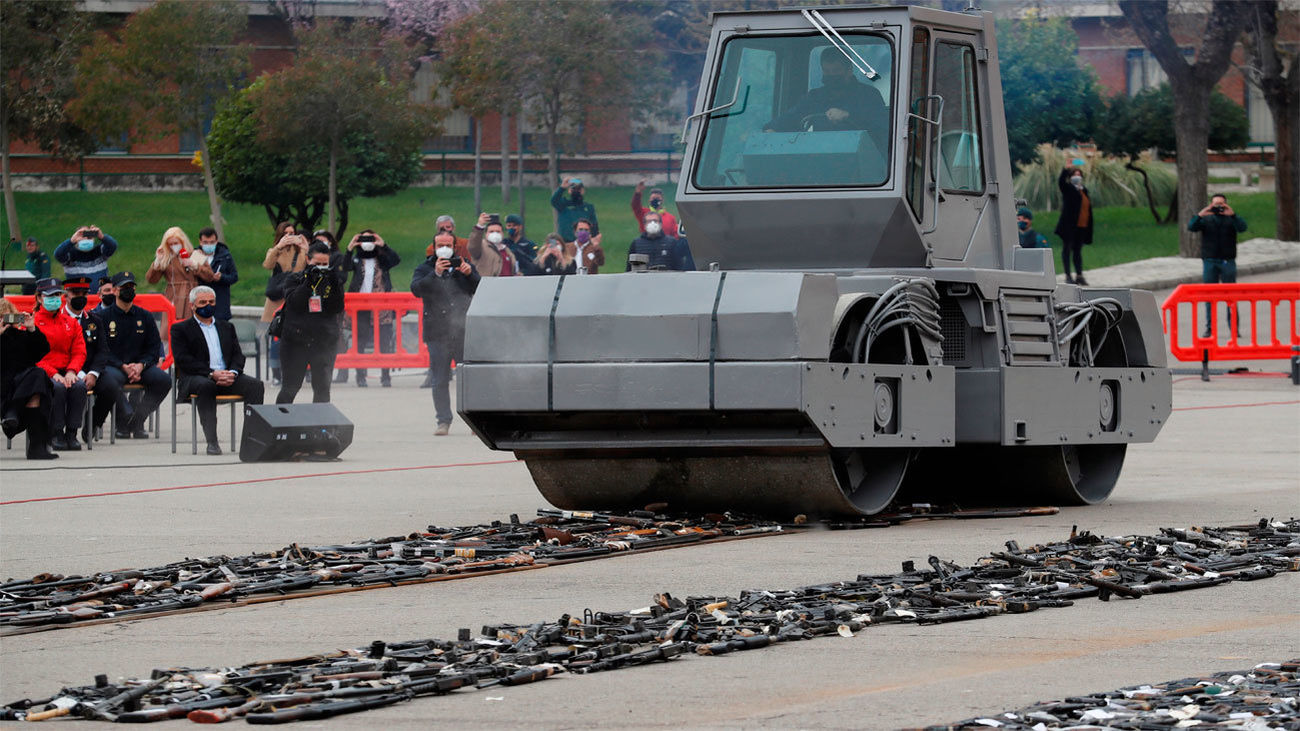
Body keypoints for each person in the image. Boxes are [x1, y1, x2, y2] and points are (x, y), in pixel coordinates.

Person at [170, 286, 265, 455]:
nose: (208, 305)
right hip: (196, 378)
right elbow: (183, 359)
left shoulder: (226, 327)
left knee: (256, 386)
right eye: (203, 302)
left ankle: (252, 440)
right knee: (206, 386)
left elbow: (238, 356)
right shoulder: (181, 329)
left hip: (226, 376)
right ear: (192, 305)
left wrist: (233, 373)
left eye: (211, 302)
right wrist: (211, 373)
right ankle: (212, 442)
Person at [411, 235, 479, 436]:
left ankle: (475, 420)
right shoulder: (425, 269)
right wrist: (436, 274)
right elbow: (416, 289)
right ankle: (443, 420)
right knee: (439, 379)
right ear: (433, 247)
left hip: (462, 331)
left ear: (454, 247)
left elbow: (479, 286)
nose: (444, 249)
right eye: (440, 245)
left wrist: (469, 274)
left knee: (468, 378)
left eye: (448, 245)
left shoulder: (463, 264)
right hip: (437, 333)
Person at [765, 47, 890, 154]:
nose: (831, 76)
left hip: (865, 166)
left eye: (836, 71)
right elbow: (792, 117)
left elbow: (882, 128)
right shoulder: (814, 97)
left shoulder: (869, 95)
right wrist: (772, 129)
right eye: (827, 71)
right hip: (821, 162)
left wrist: (848, 116)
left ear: (849, 70)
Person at [93, 272, 171, 439]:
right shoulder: (102, 317)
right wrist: (122, 366)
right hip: (114, 366)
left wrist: (141, 365)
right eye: (124, 287)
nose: (128, 290)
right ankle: (124, 419)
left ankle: (137, 419)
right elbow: (101, 349)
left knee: (163, 380)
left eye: (131, 287)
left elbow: (153, 347)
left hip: (140, 366)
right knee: (110, 382)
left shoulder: (145, 316)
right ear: (114, 291)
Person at [275, 242, 346, 404]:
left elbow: (337, 307)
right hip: (296, 341)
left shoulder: (332, 282)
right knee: (290, 388)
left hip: (323, 342)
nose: (321, 268)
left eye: (324, 264)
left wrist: (334, 283)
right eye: (317, 264)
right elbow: (295, 303)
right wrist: (309, 281)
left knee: (322, 389)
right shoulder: (294, 279)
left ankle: (321, 428)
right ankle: (281, 425)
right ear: (308, 260)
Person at [31, 278, 87, 451]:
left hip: (66, 370)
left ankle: (72, 432)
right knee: (58, 388)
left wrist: (72, 371)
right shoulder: (32, 323)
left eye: (58, 295)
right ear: (40, 298)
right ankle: (56, 432)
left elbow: (79, 351)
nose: (55, 299)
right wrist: (52, 373)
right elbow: (32, 355)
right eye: (50, 295)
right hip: (43, 372)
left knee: (79, 387)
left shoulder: (70, 322)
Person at [0, 298, 58, 460]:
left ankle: (13, 412)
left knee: (38, 377)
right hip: (4, 384)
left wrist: (32, 328)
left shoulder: (22, 336)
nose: (6, 322)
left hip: (23, 383)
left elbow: (42, 350)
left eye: (9, 317)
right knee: (37, 387)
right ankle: (36, 447)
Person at [344, 229, 401, 387]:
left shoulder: (382, 259)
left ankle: (385, 376)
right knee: (360, 342)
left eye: (371, 238)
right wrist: (350, 247)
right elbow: (344, 267)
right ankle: (360, 376)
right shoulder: (356, 259)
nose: (368, 242)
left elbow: (396, 260)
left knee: (384, 342)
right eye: (364, 239)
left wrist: (383, 245)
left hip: (382, 305)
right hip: (360, 305)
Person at [1189, 193, 1248, 337]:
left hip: (1227, 261)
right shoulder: (1206, 219)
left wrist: (1233, 215)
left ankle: (1234, 328)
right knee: (1209, 296)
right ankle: (1210, 328)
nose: (1218, 207)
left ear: (1226, 204)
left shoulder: (1231, 220)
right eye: (1215, 204)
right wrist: (1201, 214)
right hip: (1210, 261)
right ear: (1211, 205)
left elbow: (1242, 227)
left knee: (1230, 296)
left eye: (1221, 204)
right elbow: (1191, 227)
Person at [262, 222, 308, 385]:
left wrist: (306, 248)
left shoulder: (302, 252)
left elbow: (309, 269)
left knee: (301, 338)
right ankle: (276, 373)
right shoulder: (275, 251)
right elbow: (267, 264)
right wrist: (278, 247)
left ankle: (300, 371)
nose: (289, 237)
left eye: (292, 233)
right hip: (277, 300)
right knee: (276, 339)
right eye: (285, 234)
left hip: (296, 298)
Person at [62, 276, 106, 442]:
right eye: (75, 293)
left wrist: (93, 373)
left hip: (91, 370)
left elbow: (102, 351)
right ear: (66, 295)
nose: (80, 297)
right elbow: (61, 354)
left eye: (84, 293)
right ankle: (64, 432)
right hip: (67, 370)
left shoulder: (95, 320)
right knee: (72, 387)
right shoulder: (59, 319)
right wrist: (78, 373)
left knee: (111, 386)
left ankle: (92, 423)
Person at [309, 230, 352, 385]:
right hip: (313, 312)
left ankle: (341, 370)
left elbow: (342, 278)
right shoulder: (305, 271)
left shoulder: (336, 259)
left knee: (338, 338)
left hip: (331, 311)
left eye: (324, 264)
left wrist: (329, 275)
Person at [146, 227, 207, 320]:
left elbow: (209, 276)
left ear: (183, 242)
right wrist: (158, 260)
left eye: (176, 243)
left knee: (190, 325)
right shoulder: (166, 258)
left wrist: (195, 265)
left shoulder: (195, 254)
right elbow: (152, 280)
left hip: (191, 294)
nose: (173, 246)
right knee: (170, 326)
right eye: (170, 244)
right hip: (173, 296)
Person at [1054, 164, 1093, 285]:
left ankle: (1079, 275)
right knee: (1067, 250)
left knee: (1078, 251)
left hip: (1082, 226)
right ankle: (1068, 275)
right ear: (1070, 177)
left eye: (1079, 175)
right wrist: (1065, 170)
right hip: (1069, 226)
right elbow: (1061, 182)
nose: (1077, 177)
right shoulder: (1068, 189)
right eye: (1075, 175)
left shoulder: (1084, 190)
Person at [626, 211, 695, 271]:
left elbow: (678, 265)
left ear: (661, 224)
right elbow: (629, 267)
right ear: (644, 225)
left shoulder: (671, 242)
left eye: (655, 221)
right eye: (649, 221)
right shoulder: (636, 243)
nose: (652, 223)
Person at [194, 227, 239, 321]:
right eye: (205, 242)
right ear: (200, 242)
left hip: (220, 303)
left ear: (216, 241)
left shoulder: (225, 256)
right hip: (201, 300)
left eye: (212, 242)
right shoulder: (196, 255)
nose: (209, 245)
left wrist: (221, 278)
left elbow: (234, 277)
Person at [55, 225, 119, 286]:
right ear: (75, 239)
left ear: (93, 238)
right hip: (78, 295)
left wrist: (102, 237)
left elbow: (112, 246)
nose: (85, 238)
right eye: (82, 236)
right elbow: (58, 254)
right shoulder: (70, 255)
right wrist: (71, 241)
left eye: (89, 236)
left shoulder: (100, 251)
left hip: (99, 295)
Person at [468, 212, 520, 277]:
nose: (495, 234)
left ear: (502, 234)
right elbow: (473, 246)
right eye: (491, 231)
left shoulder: (507, 250)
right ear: (486, 234)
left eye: (498, 231)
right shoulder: (481, 247)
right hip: (487, 285)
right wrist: (479, 226)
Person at [551, 177, 599, 243]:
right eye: (573, 189)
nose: (576, 191)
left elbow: (594, 226)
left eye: (578, 189)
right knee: (551, 243)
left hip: (582, 242)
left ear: (583, 191)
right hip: (565, 243)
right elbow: (554, 201)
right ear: (569, 191)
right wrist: (562, 188)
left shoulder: (588, 207)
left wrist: (595, 239)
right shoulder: (563, 204)